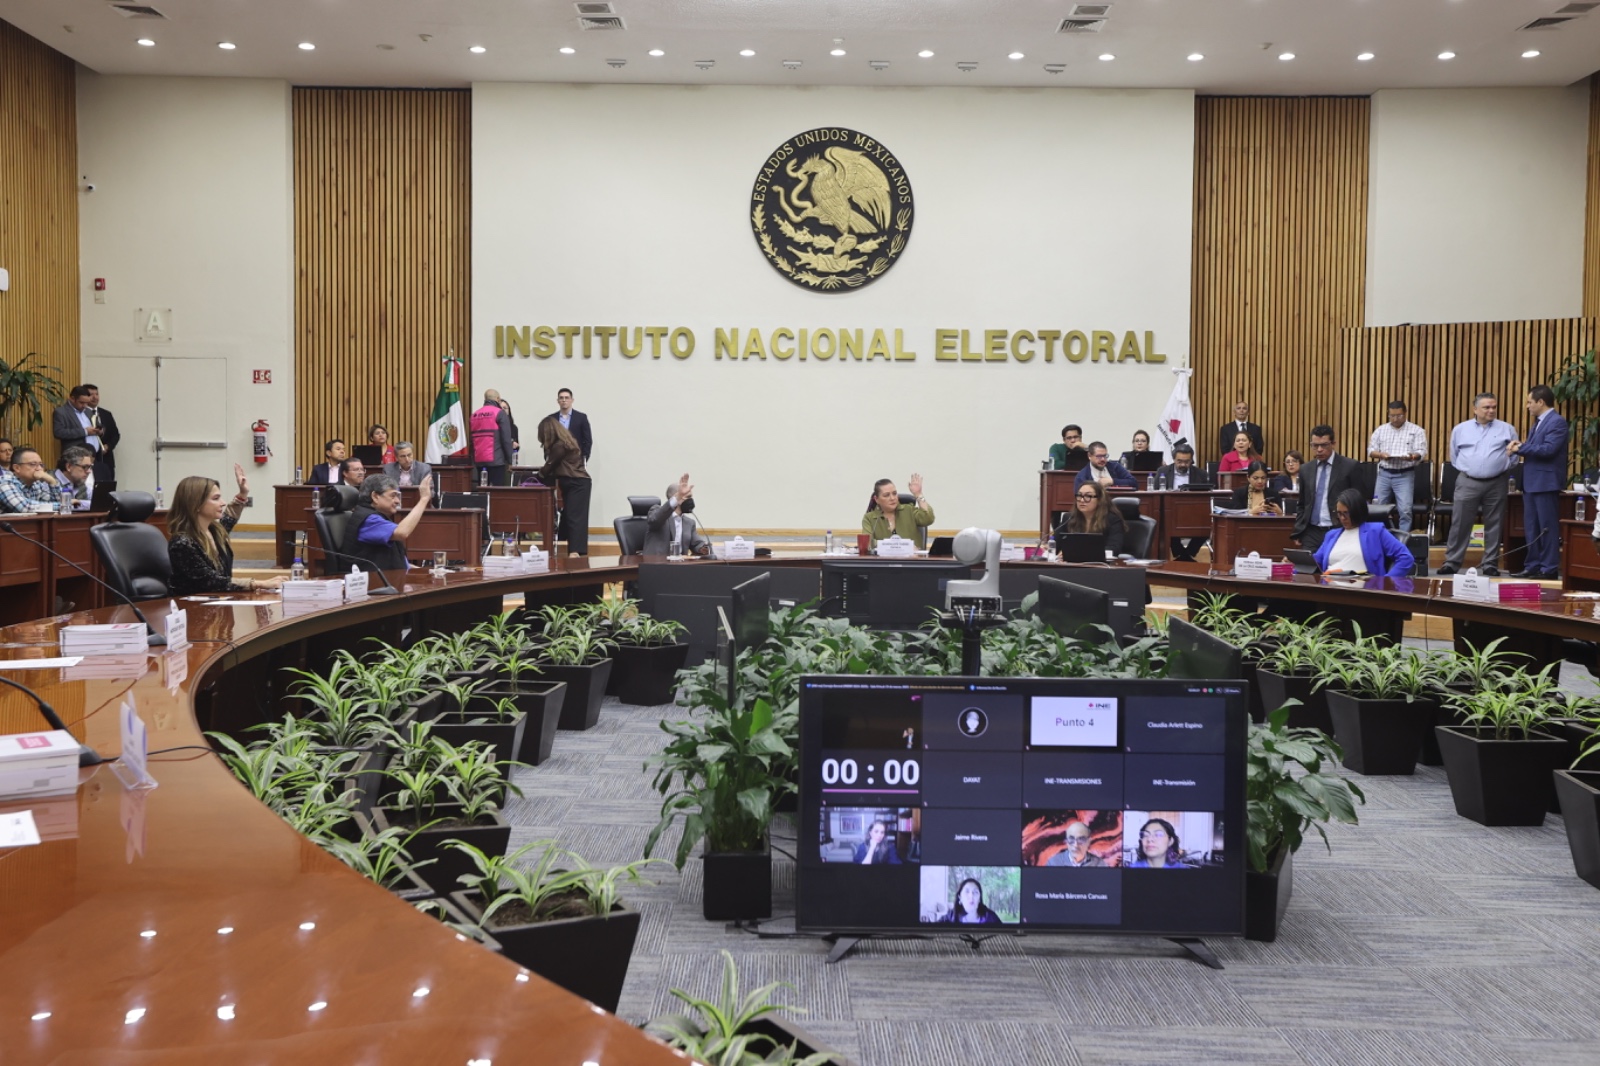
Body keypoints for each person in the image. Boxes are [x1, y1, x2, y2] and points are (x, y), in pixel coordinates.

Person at [168, 465, 283, 595]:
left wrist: (243, 493)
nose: (223, 503)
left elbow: (229, 517)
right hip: (189, 604)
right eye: (216, 498)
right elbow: (210, 581)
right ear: (196, 504)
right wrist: (257, 583)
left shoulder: (214, 531)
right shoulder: (182, 543)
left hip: (215, 601)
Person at [1438, 393, 1518, 577]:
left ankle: (1490, 564)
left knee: (1495, 524)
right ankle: (1452, 562)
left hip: (1497, 482)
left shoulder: (1507, 429)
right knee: (1460, 523)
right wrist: (1472, 468)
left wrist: (1501, 466)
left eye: (1494, 407)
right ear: (1475, 409)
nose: (1491, 410)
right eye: (1486, 407)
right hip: (1468, 481)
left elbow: (1514, 456)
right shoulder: (1461, 429)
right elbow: (1454, 456)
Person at [1508, 384, 1569, 580]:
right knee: (1531, 527)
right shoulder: (1539, 422)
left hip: (1546, 483)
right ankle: (1532, 565)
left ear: (1541, 402)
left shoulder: (1557, 422)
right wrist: (1522, 446)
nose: (1527, 406)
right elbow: (1536, 447)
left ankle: (1548, 568)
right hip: (1532, 483)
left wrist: (1521, 448)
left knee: (1547, 527)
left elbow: (1549, 450)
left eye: (1529, 402)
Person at [341, 472, 433, 573]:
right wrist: (424, 499)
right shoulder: (368, 520)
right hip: (373, 581)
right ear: (375, 496)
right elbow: (402, 533)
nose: (397, 501)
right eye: (393, 496)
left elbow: (398, 562)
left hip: (388, 577)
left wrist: (427, 571)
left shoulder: (377, 517)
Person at [1314, 489, 1416, 577]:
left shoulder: (1376, 531)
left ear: (1357, 511)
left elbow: (1406, 558)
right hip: (1329, 587)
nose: (1342, 518)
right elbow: (1314, 562)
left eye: (1346, 513)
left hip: (1362, 588)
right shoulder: (1331, 535)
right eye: (1339, 513)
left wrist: (1387, 582)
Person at [1292, 425, 1361, 553]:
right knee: (1308, 565)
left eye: (1324, 445)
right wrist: (1299, 530)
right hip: (1311, 532)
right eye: (1315, 445)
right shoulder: (1305, 469)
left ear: (1333, 444)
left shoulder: (1350, 466)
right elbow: (1302, 503)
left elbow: (1358, 503)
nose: (1319, 450)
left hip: (1339, 529)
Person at [1367, 400, 1427, 535]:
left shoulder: (1416, 431)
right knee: (1377, 508)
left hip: (1405, 474)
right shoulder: (1380, 430)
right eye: (1392, 416)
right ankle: (1379, 536)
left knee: (1405, 510)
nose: (1395, 419)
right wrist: (1381, 454)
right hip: (1384, 474)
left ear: (1405, 413)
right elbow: (1370, 451)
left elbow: (1422, 452)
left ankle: (1402, 540)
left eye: (1399, 415)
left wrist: (1412, 456)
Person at [535, 415, 591, 555]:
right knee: (569, 517)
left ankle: (576, 552)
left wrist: (535, 478)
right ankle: (572, 549)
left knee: (574, 519)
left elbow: (549, 467)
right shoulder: (566, 442)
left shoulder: (560, 446)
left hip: (576, 483)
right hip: (577, 482)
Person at [52, 385, 113, 482]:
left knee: (94, 483)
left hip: (95, 456)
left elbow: (98, 425)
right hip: (76, 458)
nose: (84, 405)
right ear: (72, 399)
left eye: (86, 403)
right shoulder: (61, 412)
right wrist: (85, 431)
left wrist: (100, 431)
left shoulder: (88, 411)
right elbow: (59, 432)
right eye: (81, 402)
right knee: (78, 485)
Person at [1157, 444, 1208, 560]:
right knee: (1164, 525)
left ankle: (1186, 555)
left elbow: (1206, 496)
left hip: (1194, 512)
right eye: (1179, 461)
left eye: (1187, 462)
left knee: (1207, 526)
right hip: (1170, 512)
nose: (1183, 465)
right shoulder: (1163, 471)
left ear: (1191, 460)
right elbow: (1155, 492)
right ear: (1174, 459)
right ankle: (1184, 556)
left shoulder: (1201, 474)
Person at [644, 473, 711, 556]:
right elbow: (655, 519)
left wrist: (703, 548)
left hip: (680, 563)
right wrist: (677, 498)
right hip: (658, 562)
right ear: (675, 496)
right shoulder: (656, 511)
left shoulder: (689, 523)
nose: (690, 500)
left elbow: (697, 544)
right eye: (688, 497)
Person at [1055, 479, 1127, 554]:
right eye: (1079, 495)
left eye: (1088, 496)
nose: (1082, 500)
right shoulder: (1069, 518)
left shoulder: (1112, 520)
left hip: (1101, 561)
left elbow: (1114, 548)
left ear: (1099, 500)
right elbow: (1054, 545)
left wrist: (1077, 553)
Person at [862, 475, 934, 549]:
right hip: (883, 557)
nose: (892, 498)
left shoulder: (909, 510)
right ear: (876, 499)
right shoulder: (870, 518)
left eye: (894, 493)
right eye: (886, 495)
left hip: (913, 556)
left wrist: (918, 494)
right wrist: (900, 546)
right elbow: (867, 542)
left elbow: (928, 518)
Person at [471, 389, 516, 486]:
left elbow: (472, 440)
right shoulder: (499, 413)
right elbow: (506, 439)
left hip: (479, 460)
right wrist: (510, 461)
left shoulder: (474, 415)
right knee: (497, 491)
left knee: (482, 489)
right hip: (496, 460)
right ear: (498, 399)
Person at [0, 446, 59, 512]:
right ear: (17, 468)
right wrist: (63, 506)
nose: (39, 468)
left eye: (41, 464)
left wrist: (52, 481)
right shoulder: (4, 482)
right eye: (33, 464)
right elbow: (25, 507)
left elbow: (54, 504)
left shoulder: (37, 484)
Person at [83, 384, 120, 483]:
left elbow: (115, 435)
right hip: (87, 459)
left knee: (107, 487)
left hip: (106, 459)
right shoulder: (81, 414)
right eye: (91, 394)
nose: (95, 397)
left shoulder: (106, 414)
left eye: (97, 394)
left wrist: (108, 446)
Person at [1128, 817, 1193, 869]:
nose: (1150, 839)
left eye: (1158, 834)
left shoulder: (1182, 869)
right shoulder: (1131, 869)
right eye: (1145, 835)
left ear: (1170, 841)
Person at [552, 388, 593, 462]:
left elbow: (587, 440)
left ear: (572, 400)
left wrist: (583, 459)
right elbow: (548, 440)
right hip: (556, 460)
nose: (564, 400)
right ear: (558, 401)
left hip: (576, 460)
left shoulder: (581, 418)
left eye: (567, 398)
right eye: (561, 398)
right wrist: (548, 458)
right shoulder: (552, 418)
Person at [497, 398, 521, 464]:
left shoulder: (514, 427)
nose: (503, 410)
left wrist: (515, 445)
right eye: (500, 408)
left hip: (509, 460)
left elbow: (517, 447)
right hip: (498, 460)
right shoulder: (495, 426)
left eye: (505, 408)